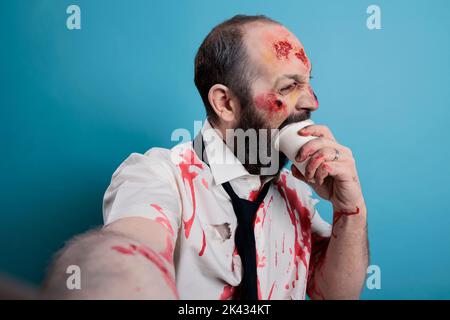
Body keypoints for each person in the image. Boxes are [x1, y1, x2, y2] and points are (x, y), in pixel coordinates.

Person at [41, 14, 368, 300]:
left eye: (308, 84)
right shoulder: (157, 175)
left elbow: (336, 294)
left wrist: (349, 211)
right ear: (225, 103)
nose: (311, 102)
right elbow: (131, 248)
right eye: (288, 87)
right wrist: (108, 274)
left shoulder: (296, 193)